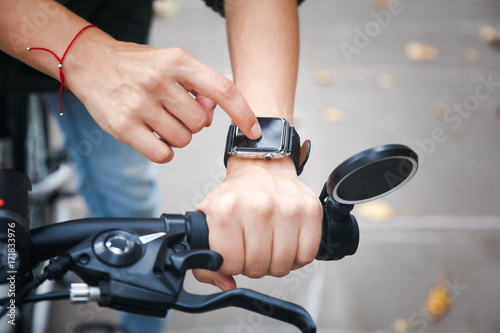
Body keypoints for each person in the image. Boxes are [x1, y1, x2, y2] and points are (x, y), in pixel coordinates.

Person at [0, 0, 323, 331]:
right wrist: (81, 51)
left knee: (125, 195)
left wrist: (261, 161)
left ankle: (143, 327)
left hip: (106, 25)